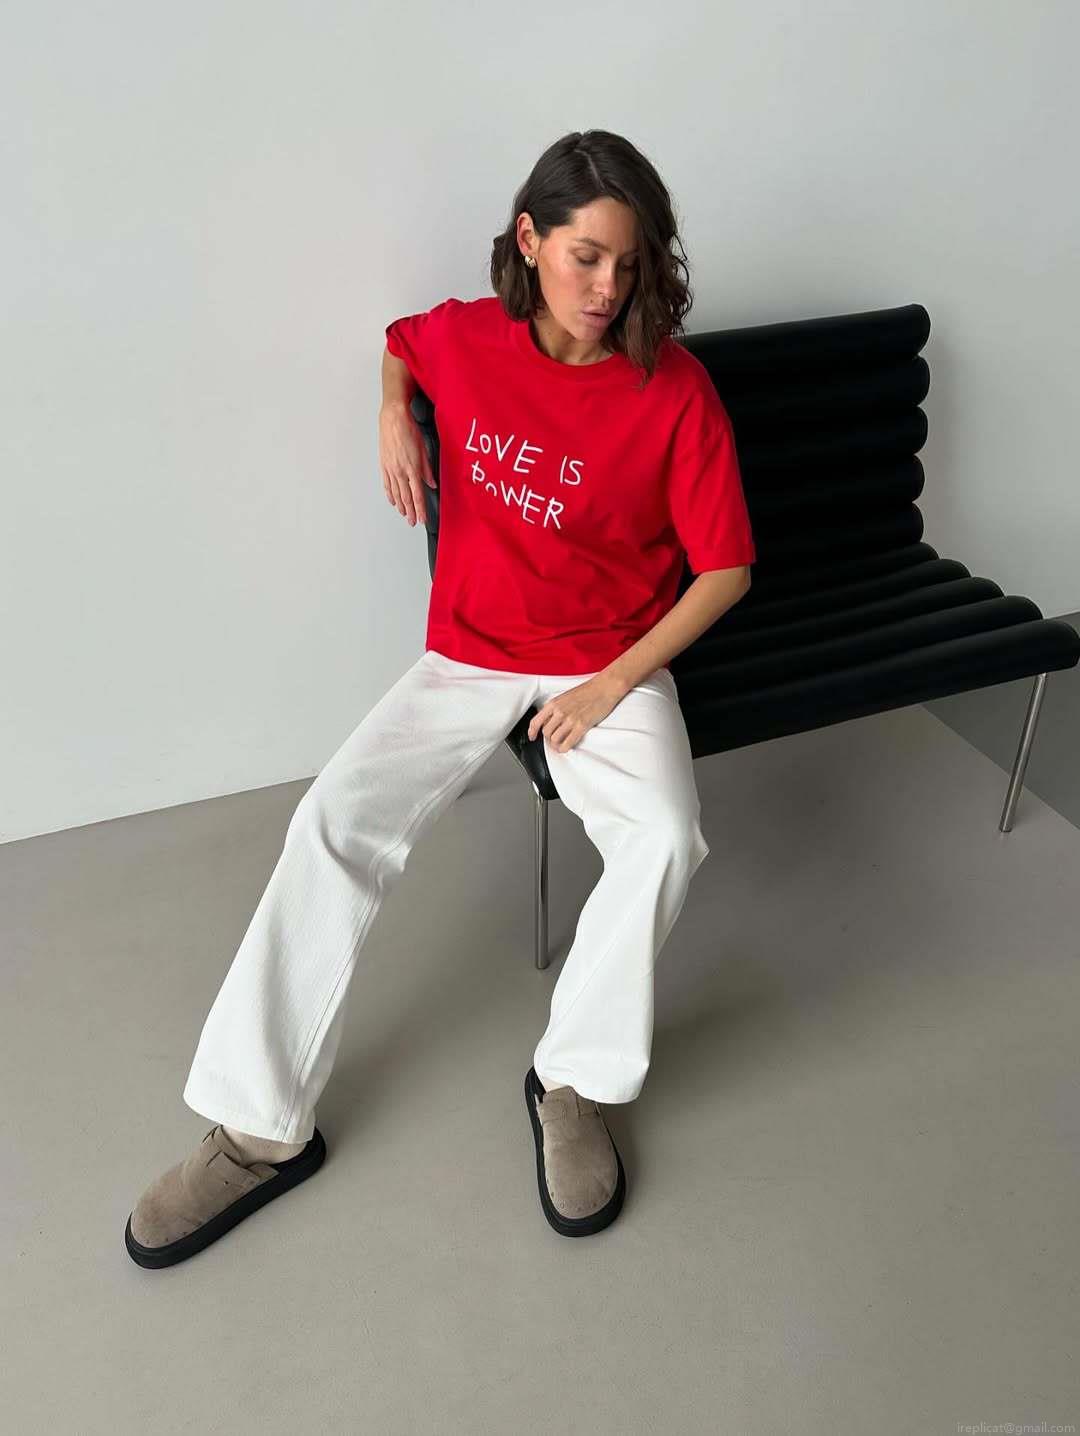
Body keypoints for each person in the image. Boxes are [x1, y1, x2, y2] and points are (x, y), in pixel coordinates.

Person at [125, 127, 755, 1267]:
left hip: (606, 660)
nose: (608, 289)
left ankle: (572, 1082)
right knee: (332, 818)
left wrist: (612, 684)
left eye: (629, 264)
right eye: (586, 257)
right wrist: (389, 410)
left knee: (667, 834)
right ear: (530, 239)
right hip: (470, 653)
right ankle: (261, 1127)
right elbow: (400, 343)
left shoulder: (673, 389)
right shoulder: (469, 337)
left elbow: (726, 570)